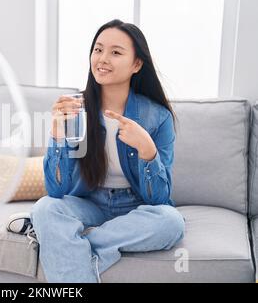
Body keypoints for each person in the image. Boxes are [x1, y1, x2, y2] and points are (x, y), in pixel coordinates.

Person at [30, 19, 185, 283]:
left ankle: (70, 244)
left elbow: (159, 199)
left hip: (136, 207)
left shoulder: (157, 116)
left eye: (115, 52)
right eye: (98, 49)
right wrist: (56, 132)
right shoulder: (76, 109)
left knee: (171, 222)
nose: (102, 59)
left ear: (137, 64)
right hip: (89, 203)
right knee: (45, 209)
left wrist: (148, 151)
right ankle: (61, 237)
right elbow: (56, 190)